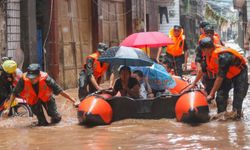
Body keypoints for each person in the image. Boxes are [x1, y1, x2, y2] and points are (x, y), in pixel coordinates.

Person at [4, 64, 79, 126]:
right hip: (33, 101)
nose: (31, 80)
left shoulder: (47, 79)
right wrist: (8, 108)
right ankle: (40, 122)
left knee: (55, 118)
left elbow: (60, 91)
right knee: (42, 123)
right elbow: (14, 93)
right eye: (29, 78)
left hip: (47, 98)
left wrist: (73, 100)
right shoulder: (23, 80)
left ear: (39, 75)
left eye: (33, 78)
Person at [202, 37, 248, 119]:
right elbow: (204, 72)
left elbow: (219, 78)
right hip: (227, 75)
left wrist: (211, 93)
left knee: (238, 98)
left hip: (240, 73)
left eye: (204, 50)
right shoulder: (209, 56)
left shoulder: (223, 56)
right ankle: (221, 118)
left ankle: (237, 118)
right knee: (220, 97)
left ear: (210, 48)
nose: (203, 52)